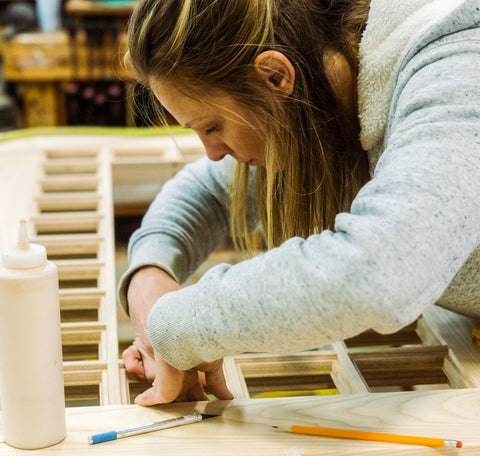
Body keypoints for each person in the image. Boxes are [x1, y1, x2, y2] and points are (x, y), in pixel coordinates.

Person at [118, 0, 480, 406]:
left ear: (275, 76)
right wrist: (149, 273)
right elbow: (207, 194)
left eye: (212, 126)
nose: (213, 153)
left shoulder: (457, 71)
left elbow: (378, 270)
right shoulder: (328, 86)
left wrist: (178, 325)